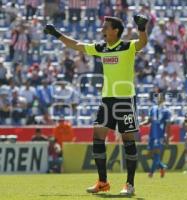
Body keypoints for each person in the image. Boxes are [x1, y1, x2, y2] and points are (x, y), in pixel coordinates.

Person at [44, 15, 148, 195]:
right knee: (97, 136)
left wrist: (141, 28)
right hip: (107, 100)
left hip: (125, 100)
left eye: (106, 27)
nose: (102, 30)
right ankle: (102, 182)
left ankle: (129, 185)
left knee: (128, 141)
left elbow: (142, 43)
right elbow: (76, 45)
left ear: (115, 30)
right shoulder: (102, 48)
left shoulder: (127, 46)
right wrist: (56, 34)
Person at [140, 94, 171, 178]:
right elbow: (149, 120)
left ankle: (151, 173)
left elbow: (168, 125)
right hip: (152, 134)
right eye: (158, 98)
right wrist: (141, 124)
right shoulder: (153, 109)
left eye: (161, 98)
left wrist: (167, 137)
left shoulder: (166, 111)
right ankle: (162, 167)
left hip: (160, 135)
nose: (159, 99)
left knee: (157, 153)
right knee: (150, 154)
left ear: (164, 100)